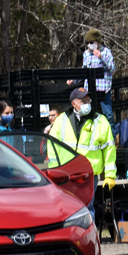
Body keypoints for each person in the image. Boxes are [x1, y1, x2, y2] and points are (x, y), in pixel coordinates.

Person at [49, 88, 117, 221]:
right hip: (66, 173)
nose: (87, 103)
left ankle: (87, 239)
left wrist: (110, 176)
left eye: (88, 100)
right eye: (83, 101)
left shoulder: (100, 121)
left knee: (86, 207)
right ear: (74, 104)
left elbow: (109, 148)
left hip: (88, 174)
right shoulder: (61, 120)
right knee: (68, 209)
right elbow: (52, 147)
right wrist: (54, 170)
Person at [66, 28, 117, 137]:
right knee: (89, 114)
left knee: (108, 115)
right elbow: (84, 70)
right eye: (87, 43)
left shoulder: (106, 52)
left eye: (91, 42)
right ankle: (90, 136)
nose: (89, 45)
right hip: (89, 92)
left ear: (97, 42)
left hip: (104, 90)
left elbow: (112, 68)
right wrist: (74, 79)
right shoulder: (86, 54)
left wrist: (101, 57)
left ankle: (113, 138)